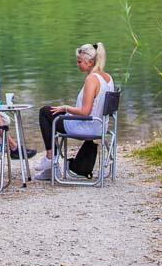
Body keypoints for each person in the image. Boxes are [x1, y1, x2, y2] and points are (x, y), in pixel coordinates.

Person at [33, 42, 114, 180]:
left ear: (89, 62)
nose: (77, 64)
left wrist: (65, 108)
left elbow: (85, 112)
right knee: (54, 114)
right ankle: (50, 169)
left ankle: (50, 157)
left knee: (45, 112)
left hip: (86, 126)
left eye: (79, 61)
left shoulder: (91, 79)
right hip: (99, 126)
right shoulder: (108, 78)